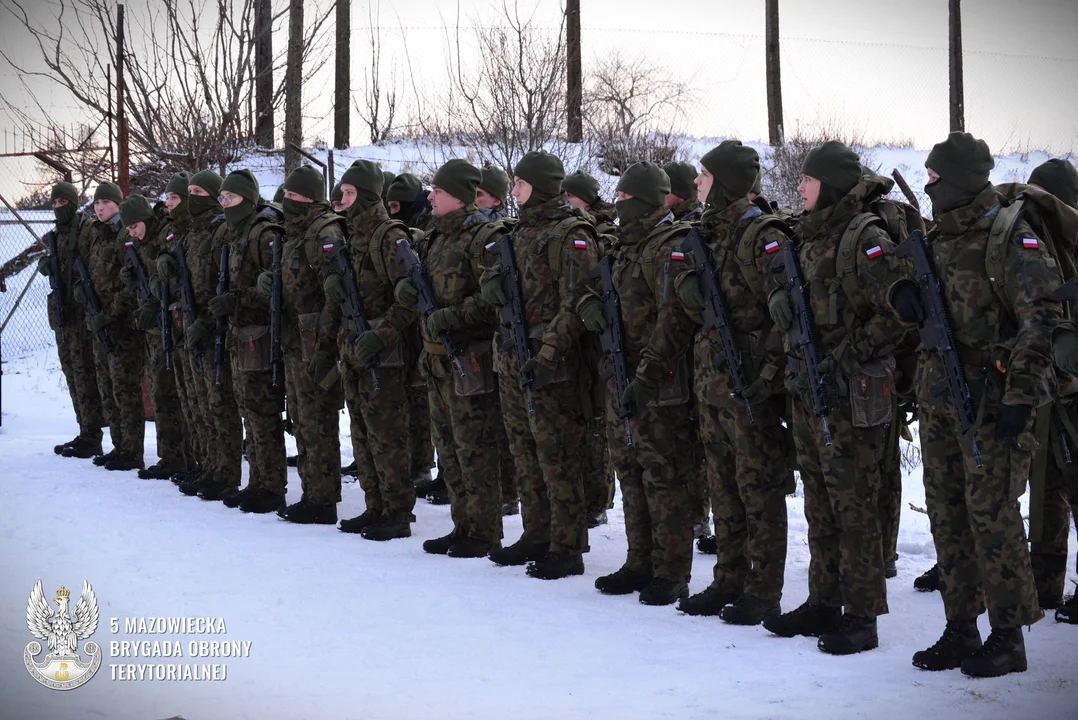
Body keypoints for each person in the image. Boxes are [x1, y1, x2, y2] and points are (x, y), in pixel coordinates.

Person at [892, 134, 1060, 676]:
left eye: (936, 175)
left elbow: (1042, 319)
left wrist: (1019, 397)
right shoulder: (940, 234)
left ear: (960, 177)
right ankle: (961, 627)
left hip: (992, 404)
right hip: (940, 399)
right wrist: (903, 295)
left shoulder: (1009, 236)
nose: (928, 182)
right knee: (948, 515)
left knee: (993, 517)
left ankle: (1008, 638)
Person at [764, 141, 908, 655]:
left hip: (853, 393)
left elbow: (897, 312)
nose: (798, 187)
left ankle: (862, 616)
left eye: (807, 179)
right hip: (810, 390)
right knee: (820, 505)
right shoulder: (810, 236)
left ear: (829, 184)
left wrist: (844, 358)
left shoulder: (863, 236)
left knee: (855, 507)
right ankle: (824, 601)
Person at [665, 141, 793, 624]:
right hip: (710, 385)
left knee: (758, 489)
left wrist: (764, 378)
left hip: (748, 386)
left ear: (724, 181)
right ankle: (729, 578)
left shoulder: (761, 235)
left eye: (704, 175)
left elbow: (786, 316)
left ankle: (764, 589)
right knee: (723, 488)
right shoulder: (704, 233)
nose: (697, 183)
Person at [578, 161, 697, 606]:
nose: (618, 204)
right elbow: (595, 288)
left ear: (645, 201)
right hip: (620, 372)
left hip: (657, 380)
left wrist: (646, 376)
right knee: (629, 470)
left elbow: (673, 319)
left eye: (626, 198)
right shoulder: (626, 246)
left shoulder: (667, 246)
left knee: (663, 475)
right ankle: (639, 560)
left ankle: (671, 571)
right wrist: (591, 308)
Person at [480, 150, 597, 579]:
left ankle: (567, 545)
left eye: (521, 184)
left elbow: (577, 300)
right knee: (524, 451)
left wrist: (548, 354)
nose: (514, 191)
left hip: (551, 361)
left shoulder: (570, 232)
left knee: (556, 453)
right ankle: (537, 531)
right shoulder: (516, 233)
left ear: (541, 186)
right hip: (512, 355)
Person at [393, 159, 504, 558]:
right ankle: (463, 525)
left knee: (474, 448)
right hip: (436, 359)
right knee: (450, 449)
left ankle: (485, 530)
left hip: (469, 358)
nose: (430, 196)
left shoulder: (484, 237)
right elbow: (413, 284)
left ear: (457, 195)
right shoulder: (432, 237)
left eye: (437, 191)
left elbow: (494, 300)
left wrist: (451, 316)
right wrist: (406, 294)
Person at [323, 160, 420, 540]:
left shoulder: (387, 236)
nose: (341, 200)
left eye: (348, 193)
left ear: (364, 195)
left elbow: (410, 298)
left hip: (384, 353)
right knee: (362, 432)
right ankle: (374, 505)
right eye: (341, 193)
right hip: (354, 349)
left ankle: (397, 511)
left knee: (387, 434)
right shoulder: (353, 236)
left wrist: (381, 335)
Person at [256, 165, 344, 524]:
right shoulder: (294, 232)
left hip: (315, 338)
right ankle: (313, 491)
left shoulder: (323, 231)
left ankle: (322, 499)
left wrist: (325, 345)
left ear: (309, 198)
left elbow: (333, 294)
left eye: (293, 196)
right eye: (286, 195)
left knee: (317, 419)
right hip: (296, 338)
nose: (286, 201)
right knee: (301, 418)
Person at [205, 170, 290, 514]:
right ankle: (257, 481)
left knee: (262, 412)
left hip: (260, 335)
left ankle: (271, 486)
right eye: (222, 198)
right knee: (248, 411)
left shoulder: (263, 234)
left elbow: (273, 288)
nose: (224, 203)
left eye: (231, 198)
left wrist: (236, 300)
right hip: (240, 335)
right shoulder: (232, 233)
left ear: (249, 199)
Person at [118, 194, 191, 480]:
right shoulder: (141, 242)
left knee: (173, 393)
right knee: (161, 392)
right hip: (157, 329)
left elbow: (174, 278)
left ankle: (183, 457)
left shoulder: (164, 236)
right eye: (128, 229)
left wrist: (152, 300)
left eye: (135, 226)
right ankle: (171, 456)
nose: (132, 232)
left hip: (173, 324)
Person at [76, 182, 145, 471]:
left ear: (118, 203)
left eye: (105, 202)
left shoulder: (122, 235)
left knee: (125, 388)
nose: (100, 207)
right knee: (108, 386)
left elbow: (131, 283)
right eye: (96, 203)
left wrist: (111, 313)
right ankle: (119, 445)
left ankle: (132, 450)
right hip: (99, 321)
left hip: (122, 325)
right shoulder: (95, 234)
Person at [39, 181, 104, 459]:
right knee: (72, 374)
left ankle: (93, 434)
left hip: (82, 314)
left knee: (85, 373)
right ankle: (85, 430)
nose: (57, 208)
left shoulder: (86, 230)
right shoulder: (56, 235)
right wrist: (47, 263)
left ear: (73, 204)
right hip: (63, 316)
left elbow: (95, 266)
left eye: (62, 203)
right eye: (53, 204)